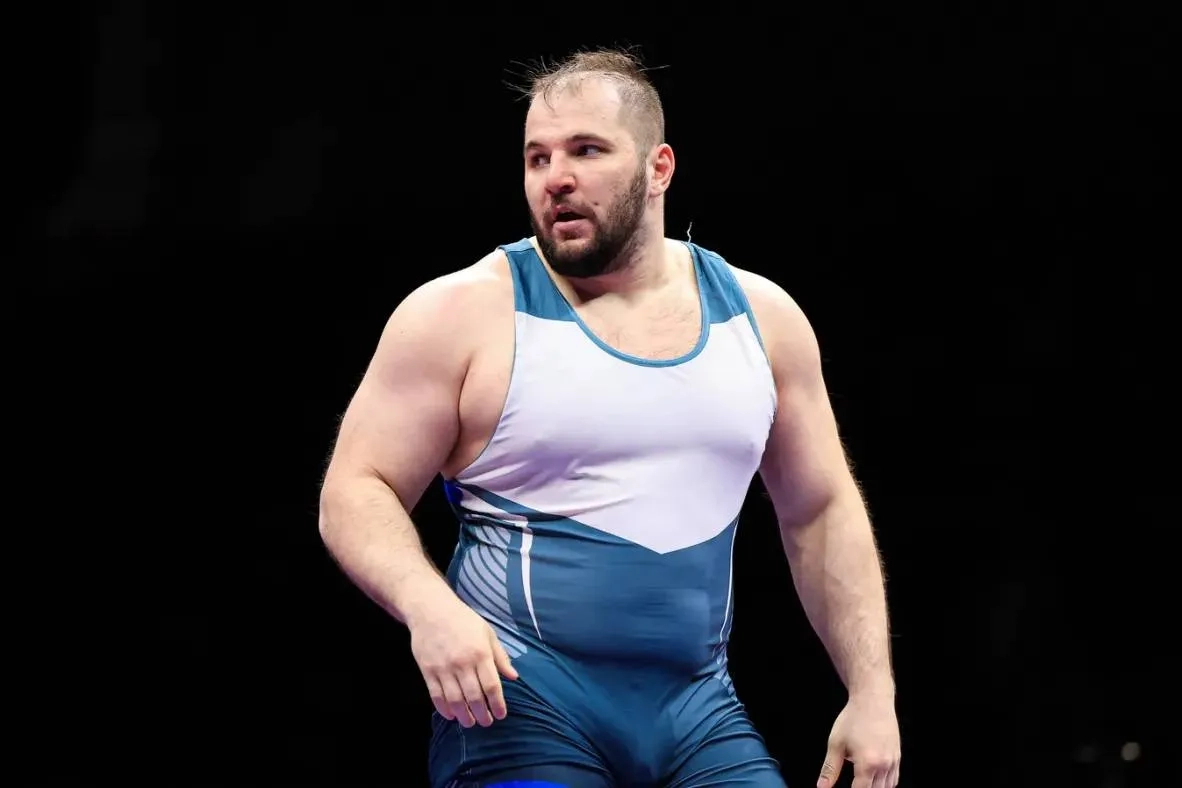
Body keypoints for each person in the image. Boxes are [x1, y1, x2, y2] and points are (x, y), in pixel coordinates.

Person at [318, 48, 901, 788]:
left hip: (699, 715)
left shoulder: (761, 319)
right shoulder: (460, 314)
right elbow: (356, 487)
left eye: (586, 150)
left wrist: (871, 691)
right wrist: (428, 606)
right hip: (520, 706)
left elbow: (819, 509)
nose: (555, 177)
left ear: (659, 168)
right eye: (537, 157)